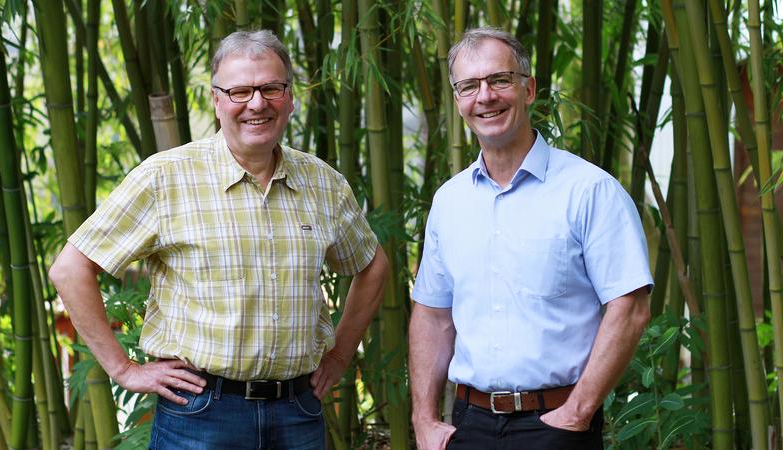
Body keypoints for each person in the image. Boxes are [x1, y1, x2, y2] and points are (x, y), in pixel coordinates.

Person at [49, 30, 387, 449]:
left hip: (298, 411)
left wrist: (338, 357)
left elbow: (373, 266)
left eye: (271, 88)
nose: (257, 103)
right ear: (216, 100)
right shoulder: (166, 177)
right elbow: (70, 268)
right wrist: (124, 370)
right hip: (201, 414)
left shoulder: (324, 184)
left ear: (290, 96)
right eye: (240, 91)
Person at [409, 27, 653, 450]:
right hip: (468, 427)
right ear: (457, 100)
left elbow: (629, 308)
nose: (485, 96)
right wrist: (424, 419)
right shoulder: (449, 202)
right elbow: (433, 316)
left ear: (529, 89)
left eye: (499, 80)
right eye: (469, 86)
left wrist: (577, 411)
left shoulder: (590, 190)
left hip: (556, 424)